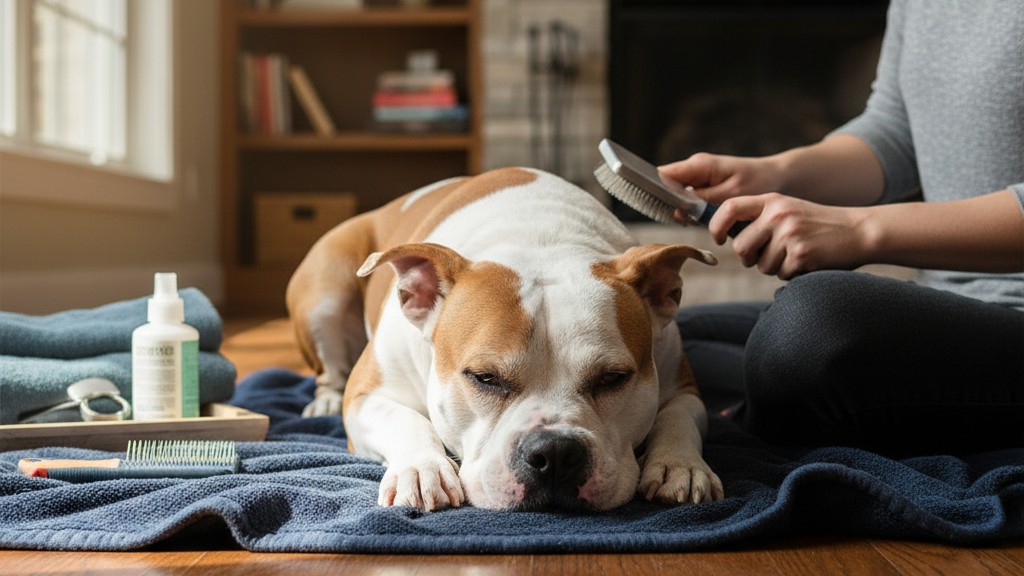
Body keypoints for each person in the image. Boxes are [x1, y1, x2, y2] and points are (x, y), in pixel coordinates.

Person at [659, 0, 1024, 455]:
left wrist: (860, 229)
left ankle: (749, 427)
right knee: (670, 341)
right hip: (958, 309)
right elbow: (895, 130)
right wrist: (772, 172)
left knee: (811, 324)